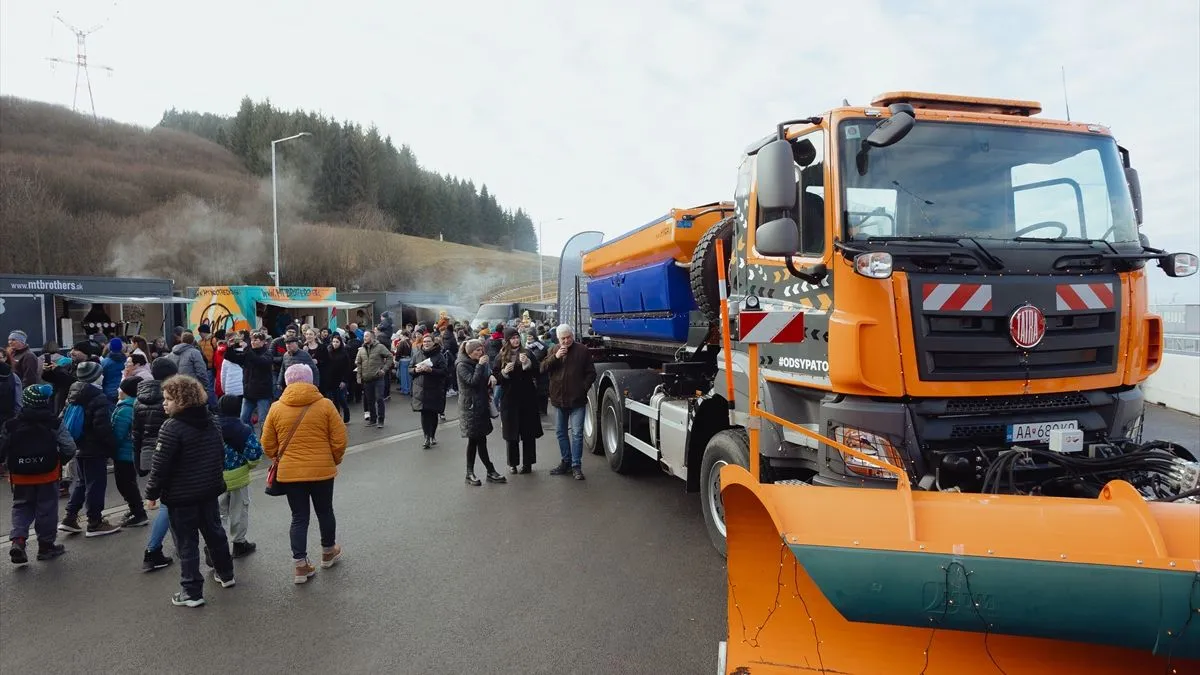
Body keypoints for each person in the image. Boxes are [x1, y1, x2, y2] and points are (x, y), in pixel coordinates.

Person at [144, 374, 235, 608]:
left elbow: (160, 465)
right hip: (208, 490)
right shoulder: (212, 420)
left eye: (168, 399)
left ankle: (191, 591)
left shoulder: (172, 427)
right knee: (215, 534)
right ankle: (226, 574)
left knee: (186, 543)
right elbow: (219, 455)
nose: (164, 403)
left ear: (182, 400)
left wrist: (152, 493)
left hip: (181, 496)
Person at [262, 364, 347, 584]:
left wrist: (278, 458)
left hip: (291, 473)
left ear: (287, 382)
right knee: (325, 511)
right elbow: (339, 439)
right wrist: (332, 459)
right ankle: (328, 551)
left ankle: (300, 565)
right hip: (321, 470)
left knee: (299, 517)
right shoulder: (325, 405)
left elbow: (267, 443)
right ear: (311, 380)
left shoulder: (276, 408)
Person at [1, 384, 74, 565]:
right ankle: (45, 546)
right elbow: (69, 447)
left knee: (21, 506)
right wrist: (60, 461)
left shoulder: (11, 424)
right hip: (47, 474)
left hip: (20, 474)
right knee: (47, 509)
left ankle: (18, 540)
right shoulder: (54, 422)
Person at [58, 361, 122, 535]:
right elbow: (102, 427)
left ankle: (70, 517)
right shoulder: (97, 397)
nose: (102, 376)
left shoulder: (74, 392)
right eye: (99, 374)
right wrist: (112, 446)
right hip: (94, 448)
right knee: (96, 484)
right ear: (94, 377)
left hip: (78, 445)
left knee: (81, 482)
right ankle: (95, 522)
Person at [134, 356, 179, 572]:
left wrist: (138, 462)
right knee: (170, 503)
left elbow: (136, 433)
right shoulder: (171, 398)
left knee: (169, 501)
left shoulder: (139, 397)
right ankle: (153, 550)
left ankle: (171, 547)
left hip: (148, 453)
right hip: (169, 453)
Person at [540, 324, 597, 480]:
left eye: (568, 337)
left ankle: (576, 466)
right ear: (558, 339)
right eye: (563, 338)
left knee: (577, 434)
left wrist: (582, 388)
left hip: (577, 400)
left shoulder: (582, 350)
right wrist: (556, 357)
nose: (566, 341)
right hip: (559, 400)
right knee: (561, 433)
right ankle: (566, 461)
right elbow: (542, 368)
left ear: (572, 335)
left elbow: (591, 373)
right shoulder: (553, 350)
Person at [215, 394, 262, 559]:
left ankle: (216, 546)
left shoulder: (211, 427)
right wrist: (249, 465)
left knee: (218, 514)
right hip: (239, 477)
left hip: (215, 478)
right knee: (239, 511)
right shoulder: (243, 429)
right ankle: (239, 544)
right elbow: (255, 453)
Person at [456, 339, 505, 486]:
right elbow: (472, 381)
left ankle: (486, 471)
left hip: (481, 405)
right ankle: (474, 472)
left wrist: (489, 374)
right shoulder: (462, 365)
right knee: (475, 440)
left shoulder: (479, 363)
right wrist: (480, 366)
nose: (480, 352)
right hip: (470, 408)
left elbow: (484, 377)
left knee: (480, 440)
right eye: (477, 350)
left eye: (481, 349)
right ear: (469, 352)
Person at [494, 327, 542, 473]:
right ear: (507, 340)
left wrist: (528, 364)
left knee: (528, 433)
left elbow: (538, 371)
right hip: (509, 399)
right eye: (512, 338)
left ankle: (528, 464)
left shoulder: (527, 353)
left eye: (517, 338)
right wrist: (504, 373)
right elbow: (496, 378)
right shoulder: (501, 356)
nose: (515, 340)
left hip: (527, 398)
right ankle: (513, 464)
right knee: (511, 434)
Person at [111, 377, 149, 528]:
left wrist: (110, 447)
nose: (118, 391)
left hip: (123, 453)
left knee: (125, 484)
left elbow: (117, 434)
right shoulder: (135, 405)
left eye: (121, 389)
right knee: (129, 483)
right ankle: (136, 509)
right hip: (131, 453)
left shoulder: (125, 409)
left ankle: (138, 513)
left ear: (126, 392)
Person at [410, 333, 450, 449]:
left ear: (433, 343)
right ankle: (426, 437)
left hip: (434, 389)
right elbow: (410, 368)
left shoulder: (439, 356)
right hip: (420, 389)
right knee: (424, 413)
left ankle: (432, 435)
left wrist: (431, 370)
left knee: (433, 414)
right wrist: (415, 370)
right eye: (425, 341)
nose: (426, 343)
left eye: (428, 341)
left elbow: (444, 372)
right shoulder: (417, 354)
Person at [355, 330, 394, 429]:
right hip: (367, 378)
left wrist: (384, 369)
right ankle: (373, 419)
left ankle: (381, 419)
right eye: (364, 336)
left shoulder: (380, 347)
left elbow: (390, 357)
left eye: (367, 336)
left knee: (379, 398)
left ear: (372, 337)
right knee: (369, 400)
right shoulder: (361, 350)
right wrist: (359, 377)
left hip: (378, 378)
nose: (364, 338)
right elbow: (358, 364)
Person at [319, 333, 353, 424]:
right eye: (333, 342)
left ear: (340, 343)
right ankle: (337, 417)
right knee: (333, 400)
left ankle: (346, 413)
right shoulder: (329, 352)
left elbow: (347, 368)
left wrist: (344, 380)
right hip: (330, 379)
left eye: (337, 342)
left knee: (340, 398)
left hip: (340, 379)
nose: (335, 344)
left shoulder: (344, 354)